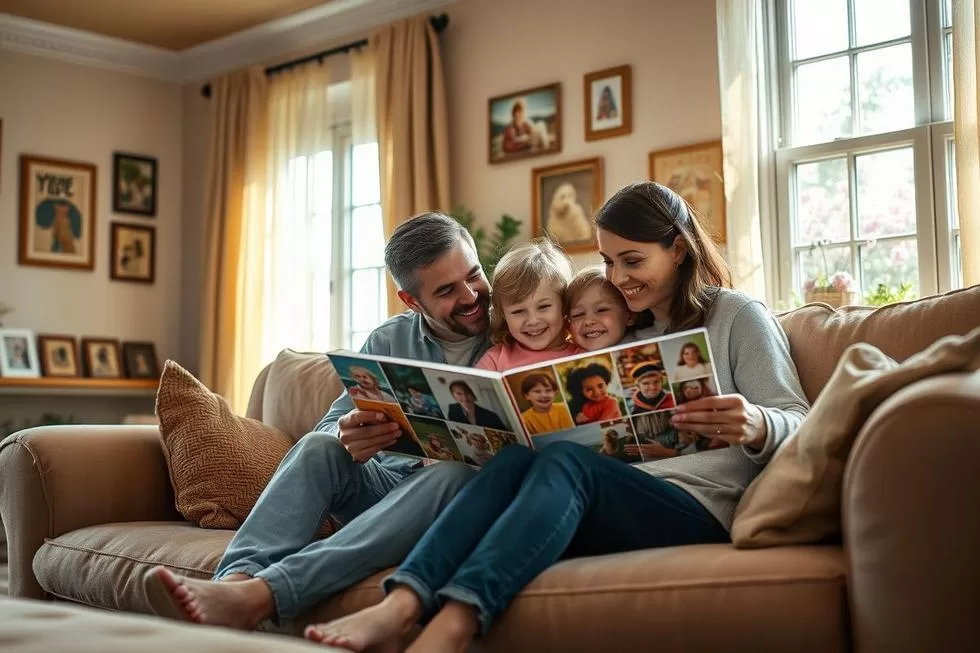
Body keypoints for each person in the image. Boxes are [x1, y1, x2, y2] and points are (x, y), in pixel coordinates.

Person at [306, 181, 809, 652]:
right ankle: (401, 603)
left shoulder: (738, 316)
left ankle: (453, 627)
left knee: (565, 463)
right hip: (606, 500)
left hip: (695, 504)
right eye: (610, 262)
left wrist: (758, 423)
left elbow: (799, 417)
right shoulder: (620, 329)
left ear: (678, 249)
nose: (618, 279)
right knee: (511, 463)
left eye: (632, 261)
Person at [142, 212, 494, 631]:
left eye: (474, 275)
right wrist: (347, 433)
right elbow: (330, 425)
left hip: (463, 498)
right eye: (448, 291)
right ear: (412, 301)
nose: (471, 295)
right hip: (388, 489)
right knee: (317, 446)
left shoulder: (517, 330)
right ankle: (233, 582)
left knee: (452, 474)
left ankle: (264, 595)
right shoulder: (388, 341)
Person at [475, 238, 583, 371]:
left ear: (564, 305)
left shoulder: (583, 356)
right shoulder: (495, 359)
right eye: (518, 311)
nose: (532, 320)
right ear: (503, 314)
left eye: (543, 307)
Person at [565, 268, 636, 351]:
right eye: (578, 315)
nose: (588, 321)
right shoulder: (568, 354)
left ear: (629, 315)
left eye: (601, 310)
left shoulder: (647, 339)